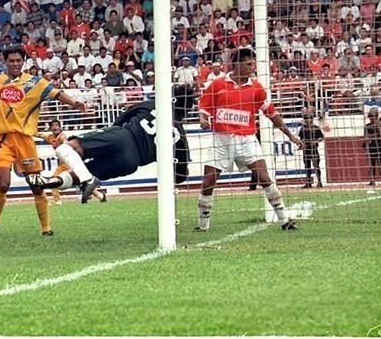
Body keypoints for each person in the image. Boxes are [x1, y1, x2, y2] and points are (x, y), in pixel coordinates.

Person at [0, 45, 89, 240]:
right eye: (11, 61)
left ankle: (46, 228)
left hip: (24, 140)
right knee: (4, 184)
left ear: (23, 62)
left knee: (36, 185)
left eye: (18, 61)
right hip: (1, 139)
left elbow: (56, 93)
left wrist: (74, 103)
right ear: (4, 61)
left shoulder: (34, 83)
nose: (15, 64)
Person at [196, 48, 303, 232]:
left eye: (253, 63)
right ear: (236, 64)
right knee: (208, 182)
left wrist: (290, 135)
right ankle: (202, 226)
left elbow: (272, 114)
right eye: (248, 64)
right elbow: (204, 108)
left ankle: (285, 220)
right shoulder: (217, 85)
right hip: (221, 140)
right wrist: (203, 118)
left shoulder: (256, 88)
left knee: (264, 178)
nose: (251, 67)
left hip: (247, 140)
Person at [28, 101, 190, 197]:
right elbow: (180, 176)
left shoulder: (153, 105)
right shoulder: (180, 138)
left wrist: (111, 135)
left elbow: (123, 117)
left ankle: (86, 179)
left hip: (123, 137)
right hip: (131, 162)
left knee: (66, 149)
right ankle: (52, 182)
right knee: (81, 174)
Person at [38, 119, 106, 205]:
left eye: (57, 125)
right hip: (65, 163)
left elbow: (65, 142)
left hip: (67, 162)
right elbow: (39, 134)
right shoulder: (50, 137)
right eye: (53, 125)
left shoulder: (62, 136)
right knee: (80, 181)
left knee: (54, 180)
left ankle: (58, 201)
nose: (55, 127)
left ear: (60, 127)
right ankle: (101, 196)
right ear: (50, 128)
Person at [298, 109, 325, 188]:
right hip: (306, 149)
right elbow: (301, 138)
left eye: (309, 118)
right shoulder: (303, 129)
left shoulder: (316, 128)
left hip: (314, 149)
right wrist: (301, 144)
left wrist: (315, 141)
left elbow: (322, 137)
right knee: (307, 166)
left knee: (316, 165)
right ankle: (308, 182)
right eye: (306, 118)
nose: (308, 120)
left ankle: (319, 182)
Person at [362, 108, 381, 186]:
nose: (371, 118)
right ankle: (372, 180)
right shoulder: (367, 126)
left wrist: (378, 126)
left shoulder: (380, 125)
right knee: (372, 165)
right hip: (371, 147)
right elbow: (366, 137)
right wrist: (372, 136)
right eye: (370, 116)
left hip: (379, 146)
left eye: (373, 116)